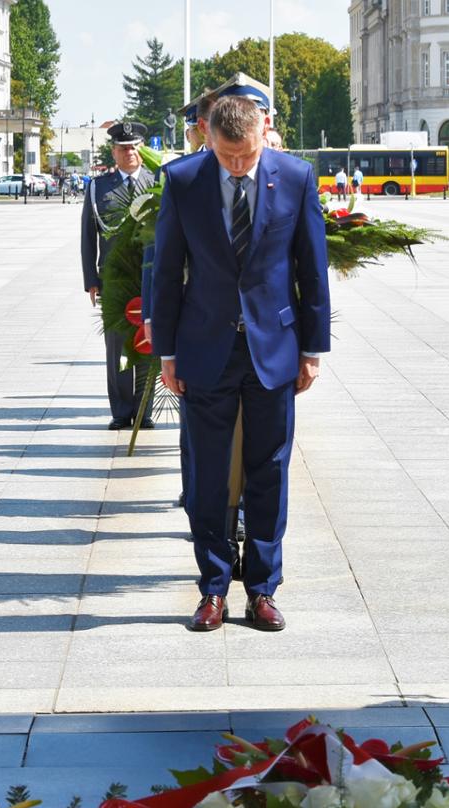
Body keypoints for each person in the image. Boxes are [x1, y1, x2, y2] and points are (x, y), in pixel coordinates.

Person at [150, 93, 330, 633]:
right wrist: (168, 353)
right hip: (205, 351)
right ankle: (211, 589)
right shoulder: (184, 182)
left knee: (269, 471)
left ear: (261, 134)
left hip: (273, 351)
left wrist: (312, 350)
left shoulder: (295, 177)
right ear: (208, 138)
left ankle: (262, 589)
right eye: (227, 156)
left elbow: (312, 268)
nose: (237, 165)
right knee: (206, 475)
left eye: (246, 155)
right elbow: (167, 270)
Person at [81, 120, 156, 430]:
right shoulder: (99, 187)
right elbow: (88, 236)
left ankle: (144, 410)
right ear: (113, 152)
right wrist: (91, 281)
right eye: (123, 149)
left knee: (149, 344)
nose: (130, 153)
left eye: (134, 148)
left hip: (149, 276)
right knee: (116, 347)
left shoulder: (155, 184)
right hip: (112, 280)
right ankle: (121, 410)